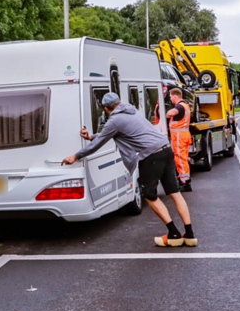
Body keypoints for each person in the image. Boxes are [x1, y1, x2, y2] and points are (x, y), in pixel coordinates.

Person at [63, 92, 195, 247]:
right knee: (175, 193)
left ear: (106, 109)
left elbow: (100, 142)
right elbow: (113, 132)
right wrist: (91, 136)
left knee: (149, 195)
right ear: (119, 101)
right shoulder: (131, 110)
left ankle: (173, 233)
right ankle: (190, 234)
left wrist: (75, 156)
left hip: (151, 155)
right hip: (165, 148)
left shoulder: (114, 120)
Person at [166, 87, 193, 192]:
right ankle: (184, 179)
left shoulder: (180, 106)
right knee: (184, 158)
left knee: (180, 158)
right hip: (184, 134)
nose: (170, 99)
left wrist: (166, 112)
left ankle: (185, 181)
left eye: (171, 97)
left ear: (175, 96)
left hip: (179, 137)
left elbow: (170, 114)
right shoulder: (185, 105)